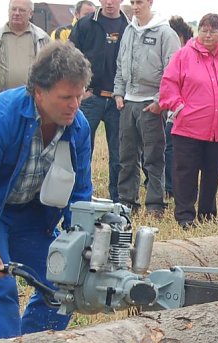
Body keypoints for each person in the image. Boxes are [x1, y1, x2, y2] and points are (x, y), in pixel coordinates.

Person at [0, 42, 93, 342]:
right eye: (66, 97)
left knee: (64, 283)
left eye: (79, 96)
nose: (74, 105)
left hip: (32, 214)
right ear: (39, 91)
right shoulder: (1, 118)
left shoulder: (78, 127)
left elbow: (80, 191)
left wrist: (80, 240)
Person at [159, 13, 218, 228]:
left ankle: (208, 214)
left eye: (213, 31)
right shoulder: (183, 56)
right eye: (204, 30)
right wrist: (180, 108)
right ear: (198, 31)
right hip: (188, 127)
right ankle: (185, 216)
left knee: (213, 173)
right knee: (185, 173)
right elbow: (168, 85)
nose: (208, 35)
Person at [112, 0, 179, 217]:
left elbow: (173, 69)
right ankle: (127, 202)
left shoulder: (165, 33)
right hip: (129, 102)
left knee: (154, 156)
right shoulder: (129, 31)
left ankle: (155, 204)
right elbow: (120, 64)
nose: (135, 6)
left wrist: (161, 100)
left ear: (150, 2)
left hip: (151, 103)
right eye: (132, 2)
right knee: (127, 156)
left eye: (139, 2)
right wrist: (119, 92)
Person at [70, 0, 128, 203]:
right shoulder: (85, 24)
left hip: (118, 99)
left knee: (119, 154)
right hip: (90, 98)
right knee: (81, 150)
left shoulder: (129, 27)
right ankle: (78, 198)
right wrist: (79, 90)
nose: (109, 2)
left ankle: (118, 199)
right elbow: (70, 56)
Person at [0, 0, 50, 102]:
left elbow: (51, 69)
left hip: (31, 103)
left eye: (22, 10)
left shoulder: (42, 38)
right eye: (13, 9)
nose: (17, 13)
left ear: (31, 14)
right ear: (8, 11)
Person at [164, 16, 195, 199]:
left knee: (175, 149)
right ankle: (170, 186)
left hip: (186, 112)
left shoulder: (189, 54)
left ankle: (174, 186)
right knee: (168, 147)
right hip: (172, 110)